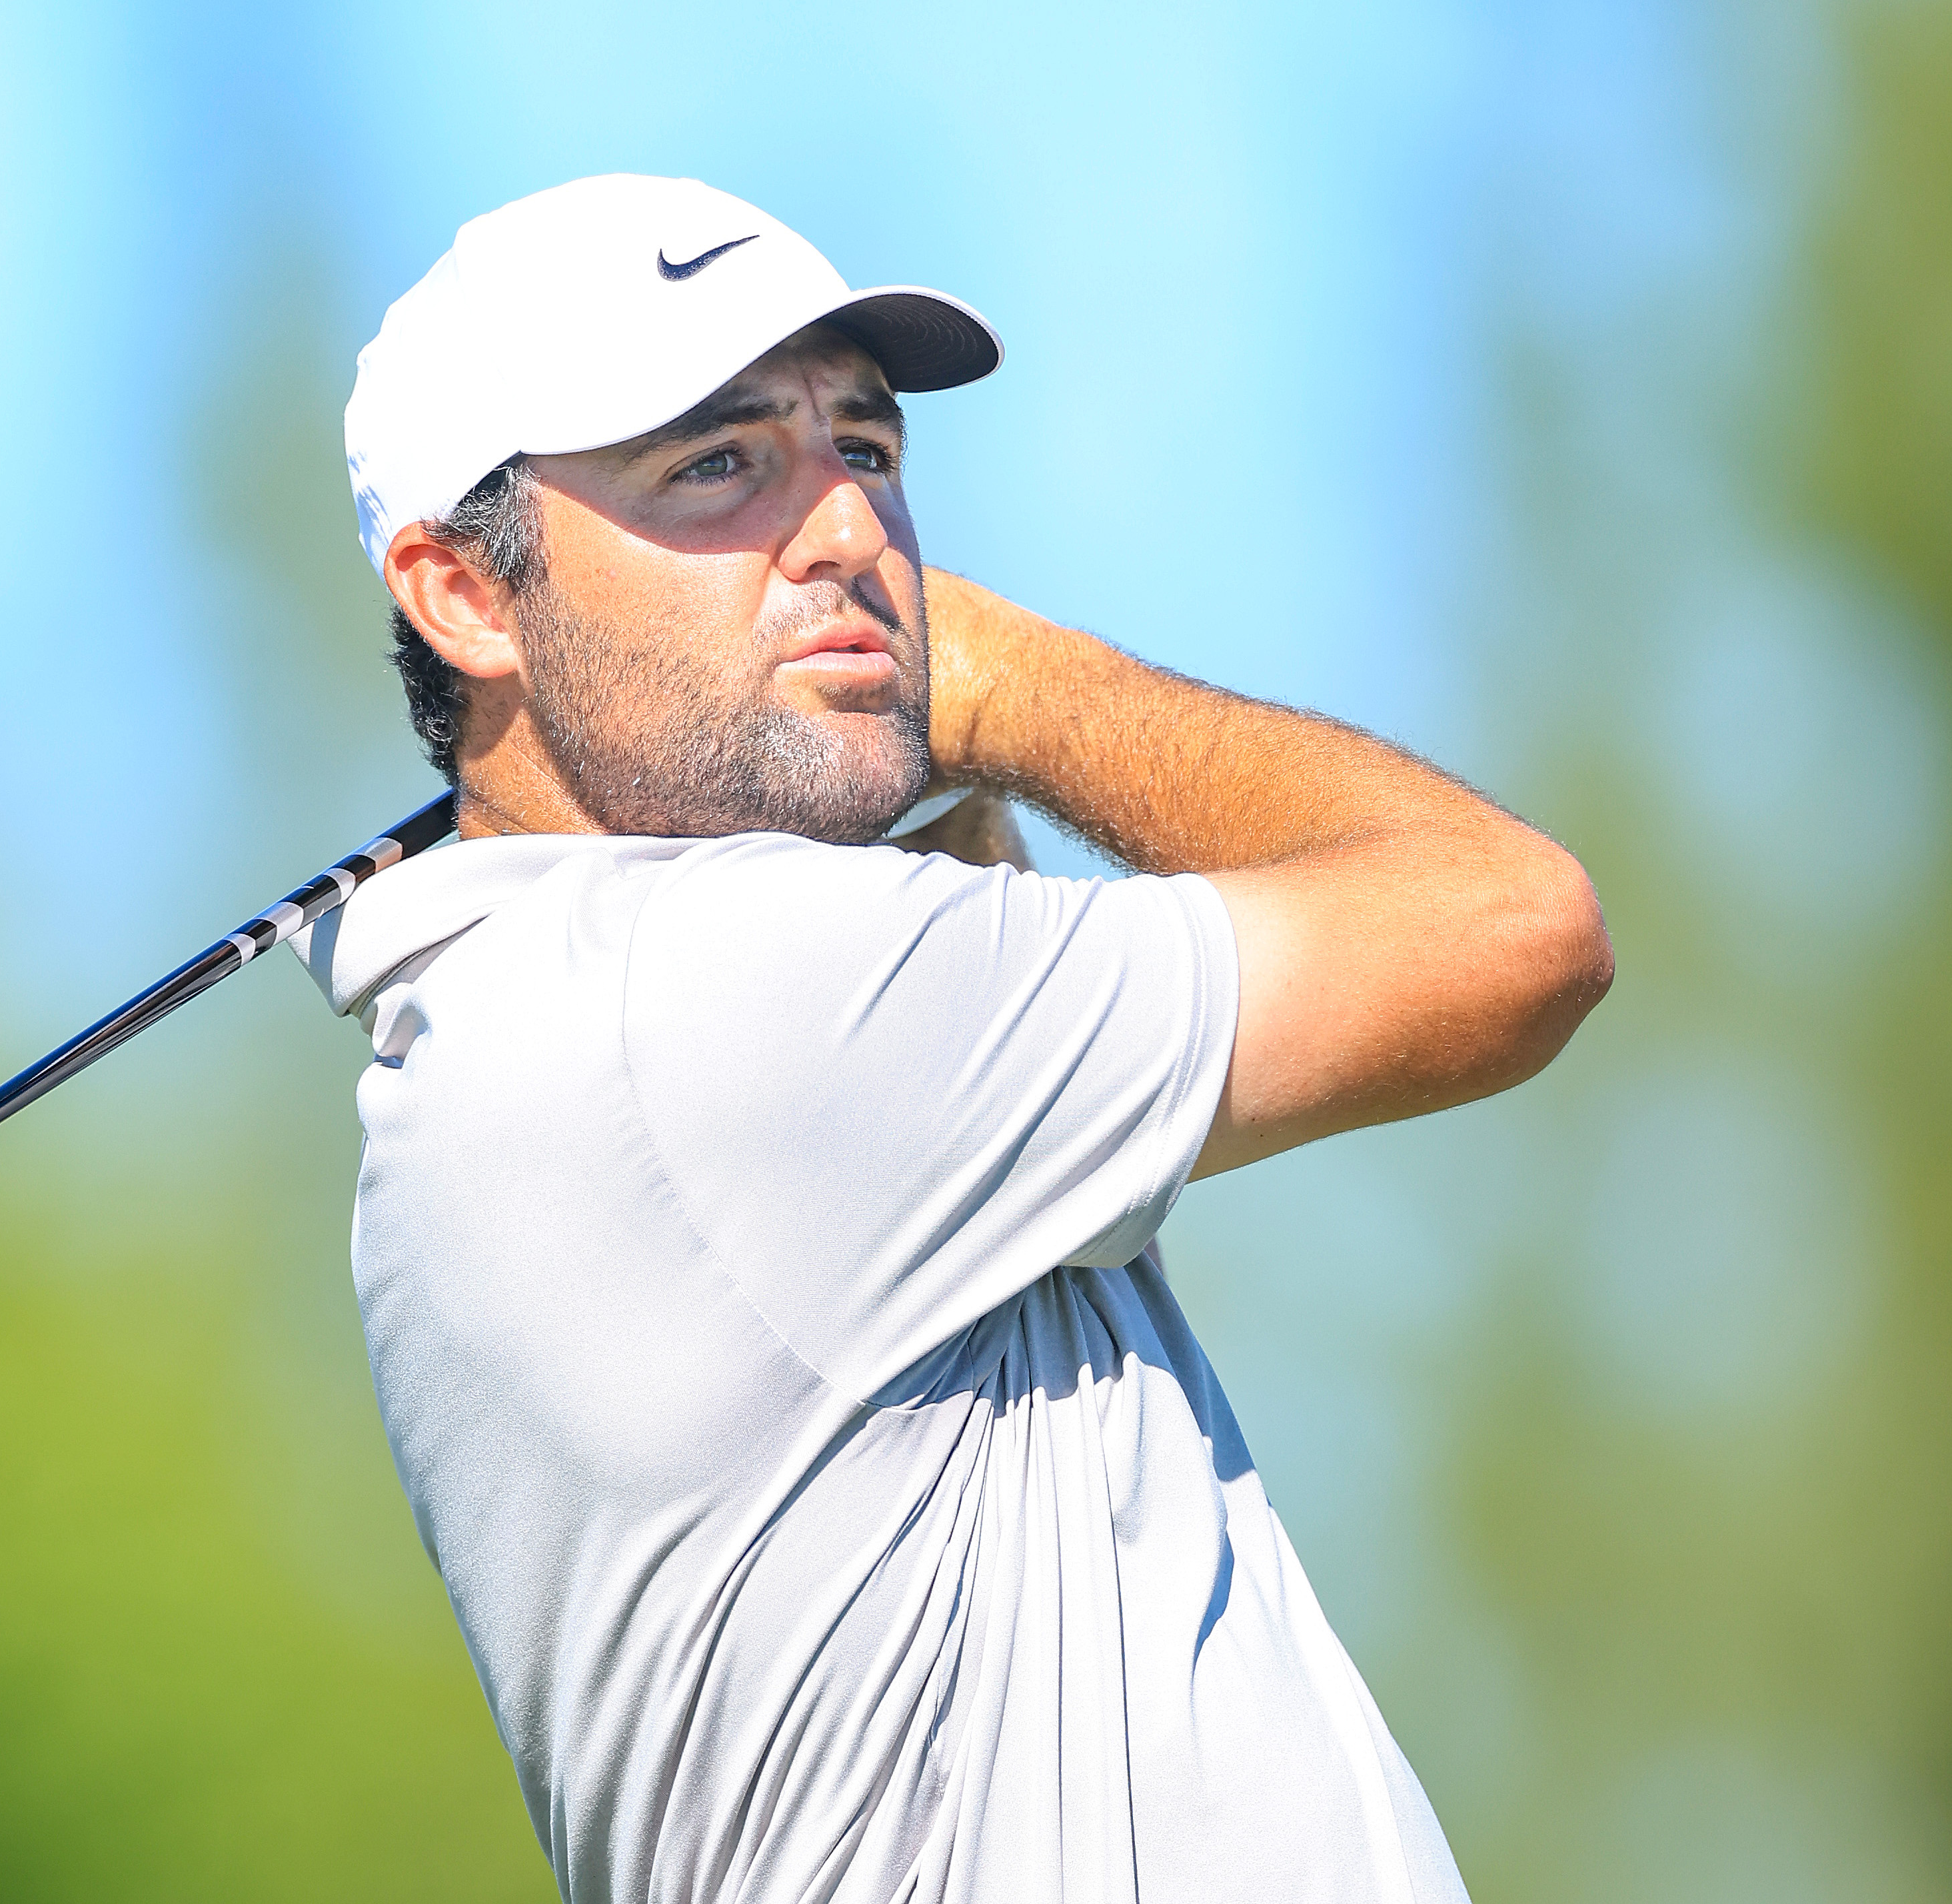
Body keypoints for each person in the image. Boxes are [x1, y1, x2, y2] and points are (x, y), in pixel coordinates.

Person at [297, 175, 1611, 1903]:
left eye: (865, 447)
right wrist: (987, 679)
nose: (851, 529)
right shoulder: (714, 996)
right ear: (466, 594)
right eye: (718, 463)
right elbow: (1512, 929)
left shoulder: (520, 1025)